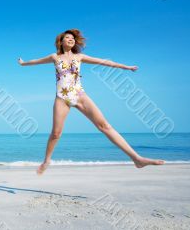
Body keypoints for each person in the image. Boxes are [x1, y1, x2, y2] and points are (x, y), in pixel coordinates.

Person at [17, 29, 165, 175]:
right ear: (61, 42)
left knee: (105, 126)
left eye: (73, 38)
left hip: (80, 95)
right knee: (56, 133)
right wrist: (23, 64)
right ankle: (47, 160)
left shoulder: (79, 57)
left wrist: (125, 67)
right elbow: (36, 61)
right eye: (67, 38)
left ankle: (137, 159)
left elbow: (103, 62)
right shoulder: (55, 57)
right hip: (62, 99)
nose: (71, 39)